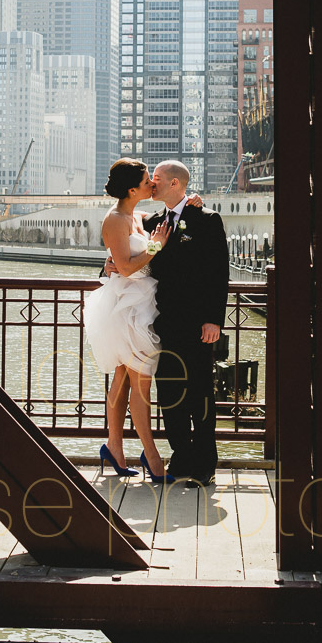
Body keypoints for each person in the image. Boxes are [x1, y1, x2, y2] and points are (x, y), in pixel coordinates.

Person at [84, 158, 202, 483]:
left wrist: (191, 201)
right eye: (148, 179)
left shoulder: (138, 216)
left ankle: (114, 447)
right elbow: (124, 267)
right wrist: (155, 246)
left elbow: (134, 252)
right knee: (141, 385)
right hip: (125, 313)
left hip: (141, 308)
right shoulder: (115, 219)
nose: (153, 183)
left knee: (123, 382)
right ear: (133, 189)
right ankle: (151, 456)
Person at [145, 160, 229, 487]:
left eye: (158, 179)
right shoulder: (152, 222)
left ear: (176, 184)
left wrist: (214, 320)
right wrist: (109, 267)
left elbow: (218, 273)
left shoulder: (206, 219)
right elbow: (139, 261)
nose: (152, 185)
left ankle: (205, 462)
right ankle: (180, 455)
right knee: (168, 392)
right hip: (161, 324)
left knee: (199, 393)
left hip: (197, 325)